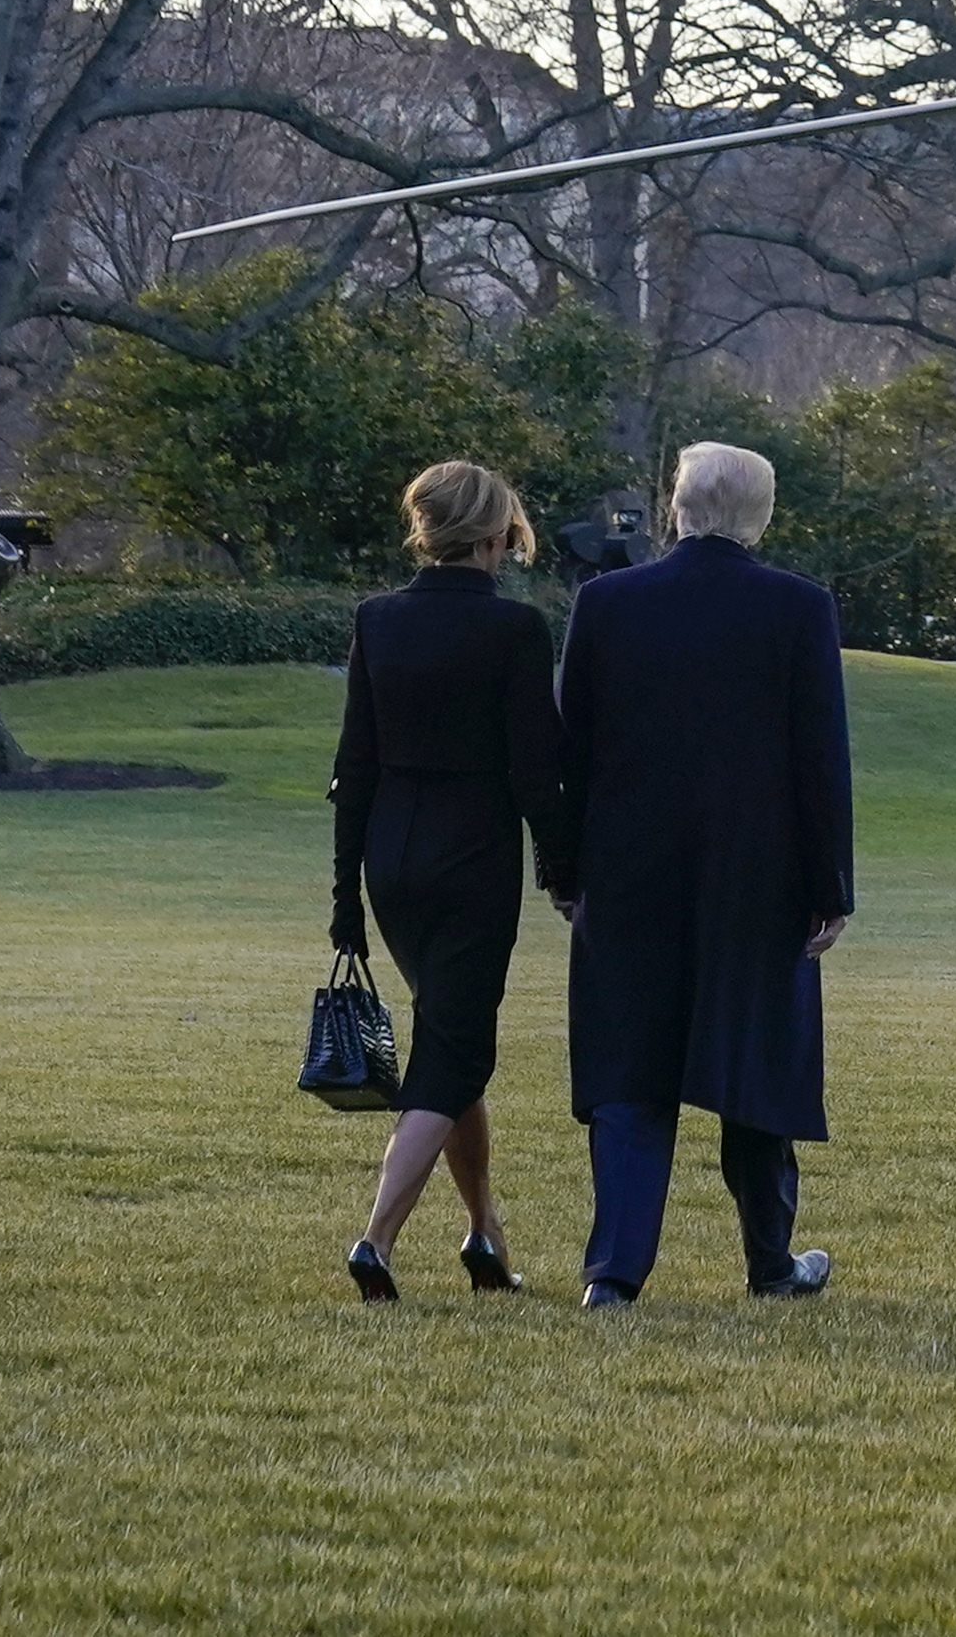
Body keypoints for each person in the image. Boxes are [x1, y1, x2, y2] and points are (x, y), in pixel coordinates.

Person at [550, 443, 854, 1306]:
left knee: (628, 1072)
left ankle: (614, 1273)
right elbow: (819, 761)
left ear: (676, 504)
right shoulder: (798, 608)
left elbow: (573, 750)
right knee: (755, 1064)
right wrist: (831, 886)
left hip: (629, 871)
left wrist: (566, 872)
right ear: (760, 514)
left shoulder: (607, 604)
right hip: (759, 877)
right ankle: (769, 1262)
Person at [328, 460, 574, 1301]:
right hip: (472, 856)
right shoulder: (515, 630)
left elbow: (352, 766)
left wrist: (344, 900)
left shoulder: (379, 620)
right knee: (455, 1050)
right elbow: (536, 774)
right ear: (496, 534)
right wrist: (563, 872)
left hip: (390, 854)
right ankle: (376, 1240)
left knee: (448, 1039)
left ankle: (484, 1236)